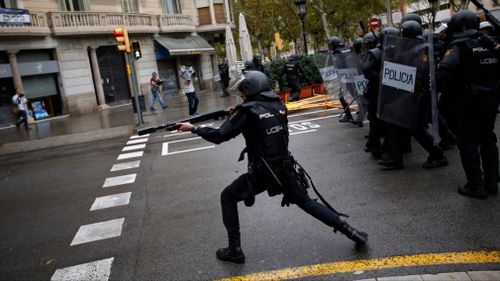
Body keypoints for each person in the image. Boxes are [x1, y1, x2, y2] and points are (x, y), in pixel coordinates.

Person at [176, 71, 368, 264]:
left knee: (227, 196)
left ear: (250, 89)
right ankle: (352, 232)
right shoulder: (278, 104)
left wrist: (194, 128)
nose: (241, 95)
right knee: (307, 203)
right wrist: (237, 112)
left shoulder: (248, 111)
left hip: (262, 173)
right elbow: (261, 121)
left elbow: (220, 135)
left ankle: (234, 250)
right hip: (285, 167)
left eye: (243, 91)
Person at [438, 10, 500, 199]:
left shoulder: (458, 46)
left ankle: (475, 186)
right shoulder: (490, 44)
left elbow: (445, 71)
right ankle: (492, 183)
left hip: (468, 102)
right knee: (488, 138)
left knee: (468, 140)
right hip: (491, 101)